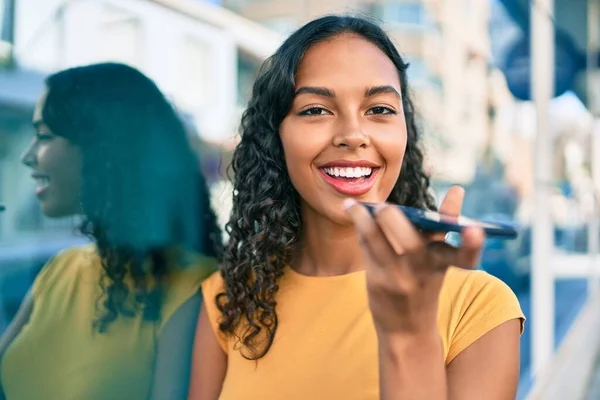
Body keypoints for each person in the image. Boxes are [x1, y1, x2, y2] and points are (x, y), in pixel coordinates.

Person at [189, 15, 525, 400]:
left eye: (379, 109)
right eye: (316, 110)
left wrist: (409, 334)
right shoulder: (227, 300)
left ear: (404, 132)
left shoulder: (478, 307)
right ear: (275, 138)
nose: (352, 135)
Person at [0, 63, 222, 400]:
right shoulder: (61, 269)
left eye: (44, 136)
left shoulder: (193, 288)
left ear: (102, 145)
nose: (29, 157)